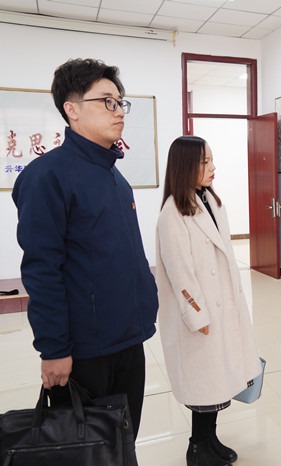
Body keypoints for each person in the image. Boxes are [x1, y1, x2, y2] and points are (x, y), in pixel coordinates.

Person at [12, 58, 158, 437]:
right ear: (72, 110)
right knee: (88, 449)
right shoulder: (47, 177)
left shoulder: (114, 176)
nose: (118, 110)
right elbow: (42, 270)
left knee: (123, 441)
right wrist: (54, 348)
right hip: (84, 351)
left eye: (120, 102)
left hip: (129, 338)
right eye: (107, 101)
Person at [156, 135, 262, 465]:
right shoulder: (173, 213)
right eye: (205, 161)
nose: (213, 167)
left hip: (222, 308)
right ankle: (197, 447)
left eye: (212, 159)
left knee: (217, 382)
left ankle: (211, 439)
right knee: (203, 385)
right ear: (185, 166)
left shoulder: (210, 201)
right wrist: (197, 316)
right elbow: (180, 274)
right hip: (198, 315)